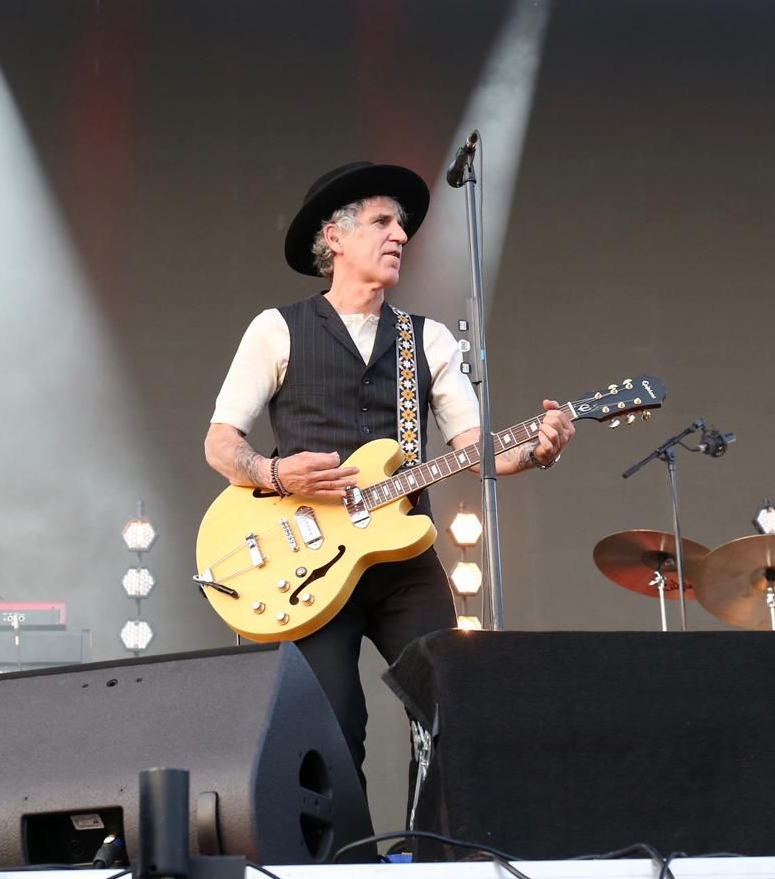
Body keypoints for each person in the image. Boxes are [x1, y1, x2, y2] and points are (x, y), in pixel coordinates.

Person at [204, 160, 575, 781]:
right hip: (309, 567)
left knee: (450, 704)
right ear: (335, 238)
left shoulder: (426, 342)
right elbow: (220, 445)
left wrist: (539, 448)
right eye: (382, 221)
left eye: (401, 225)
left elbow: (475, 449)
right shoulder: (277, 329)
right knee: (332, 722)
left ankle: (438, 855)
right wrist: (274, 474)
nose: (399, 234)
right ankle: (338, 868)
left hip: (403, 558)